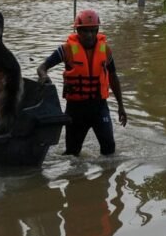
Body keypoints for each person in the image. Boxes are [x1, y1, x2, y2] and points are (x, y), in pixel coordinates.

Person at [35, 9, 127, 156]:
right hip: (76, 109)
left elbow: (113, 77)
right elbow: (41, 67)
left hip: (99, 107)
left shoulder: (105, 50)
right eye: (85, 31)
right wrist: (43, 76)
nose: (89, 35)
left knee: (109, 150)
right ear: (77, 30)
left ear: (97, 30)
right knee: (72, 154)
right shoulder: (66, 50)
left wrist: (121, 107)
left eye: (93, 31)